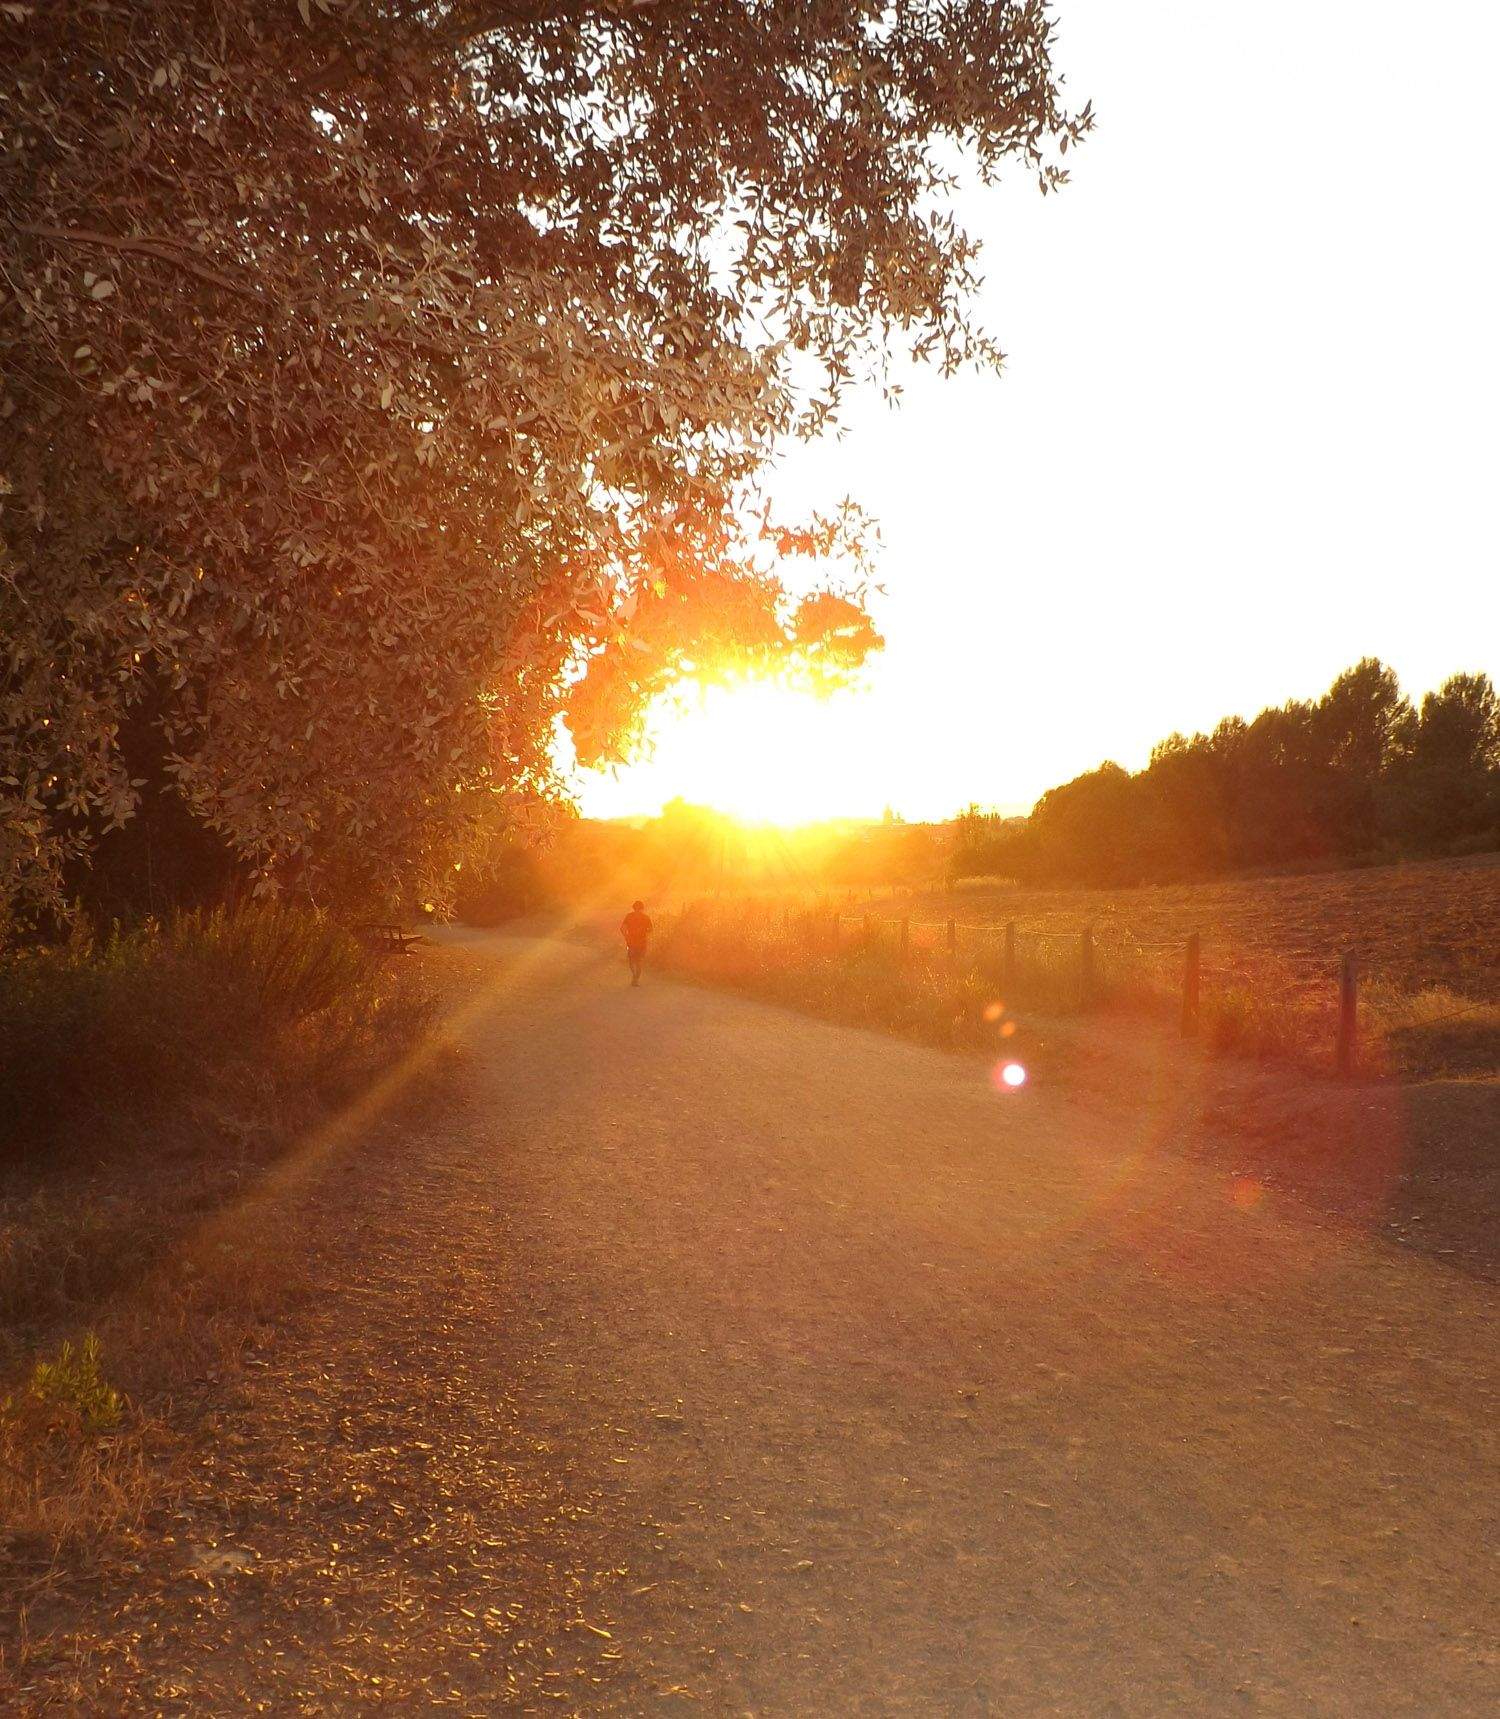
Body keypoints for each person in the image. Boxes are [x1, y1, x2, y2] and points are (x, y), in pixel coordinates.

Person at [620, 899, 652, 987]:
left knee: (631, 961)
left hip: (631, 942)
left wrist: (626, 936)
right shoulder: (646, 917)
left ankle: (634, 976)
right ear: (642, 908)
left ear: (633, 907)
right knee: (639, 961)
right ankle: (636, 979)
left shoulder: (629, 916)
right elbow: (650, 930)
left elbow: (622, 928)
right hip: (642, 942)